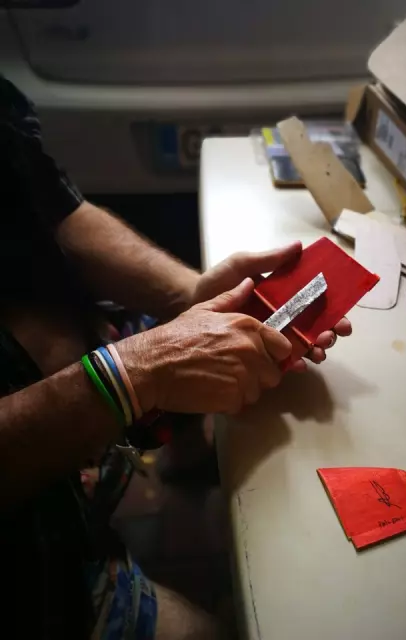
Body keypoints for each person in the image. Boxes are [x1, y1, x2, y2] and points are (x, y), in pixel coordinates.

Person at [0, 75, 352, 639]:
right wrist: (135, 375)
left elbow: (55, 210)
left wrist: (189, 298)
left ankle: (186, 470)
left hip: (93, 360)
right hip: (31, 560)